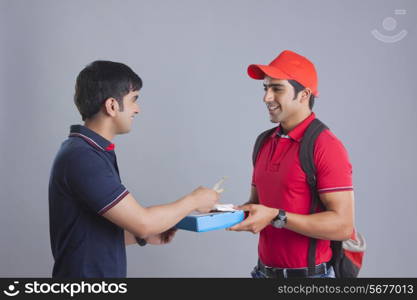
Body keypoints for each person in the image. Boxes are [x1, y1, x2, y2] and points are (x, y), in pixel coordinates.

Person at [48, 60, 220, 278]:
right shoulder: (83, 157)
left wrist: (143, 237)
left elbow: (89, 235)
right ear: (112, 105)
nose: (137, 109)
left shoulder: (88, 151)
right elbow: (143, 222)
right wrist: (195, 200)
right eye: (133, 100)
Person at [228, 50, 354, 278]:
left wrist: (277, 216)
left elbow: (342, 225)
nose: (266, 97)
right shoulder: (264, 141)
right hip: (262, 273)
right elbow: (257, 205)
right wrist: (222, 213)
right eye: (266, 88)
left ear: (304, 94)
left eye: (277, 89)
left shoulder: (325, 146)